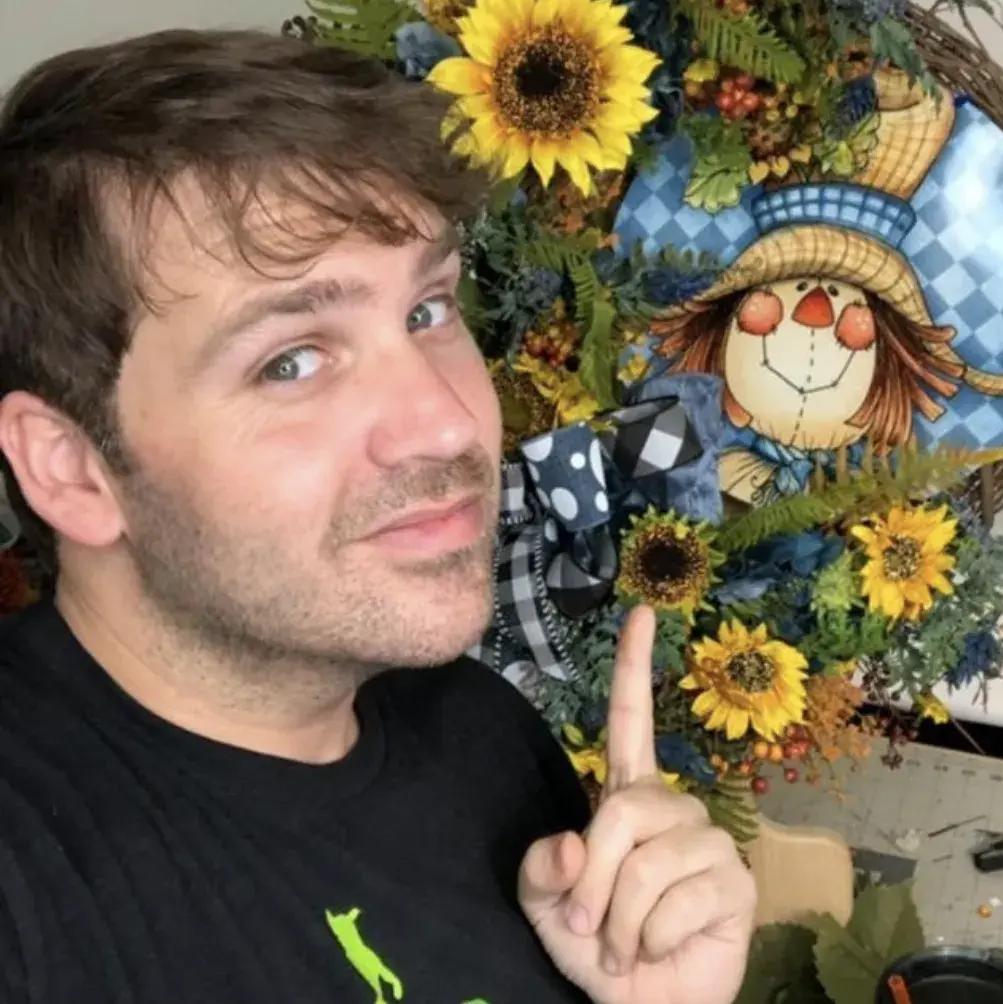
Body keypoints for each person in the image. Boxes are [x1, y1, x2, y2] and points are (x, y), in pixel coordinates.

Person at [0, 27, 756, 1004]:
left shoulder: (479, 734)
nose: (447, 423)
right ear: (71, 470)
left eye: (427, 311)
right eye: (292, 361)